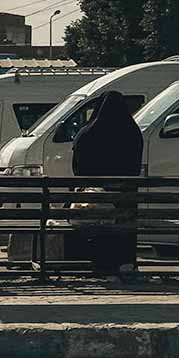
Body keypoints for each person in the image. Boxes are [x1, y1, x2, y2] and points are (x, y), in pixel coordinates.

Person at [71, 90, 144, 275]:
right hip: (123, 203)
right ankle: (124, 262)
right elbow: (134, 168)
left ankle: (96, 261)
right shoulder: (132, 132)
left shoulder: (86, 134)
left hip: (93, 200)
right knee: (127, 212)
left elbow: (77, 169)